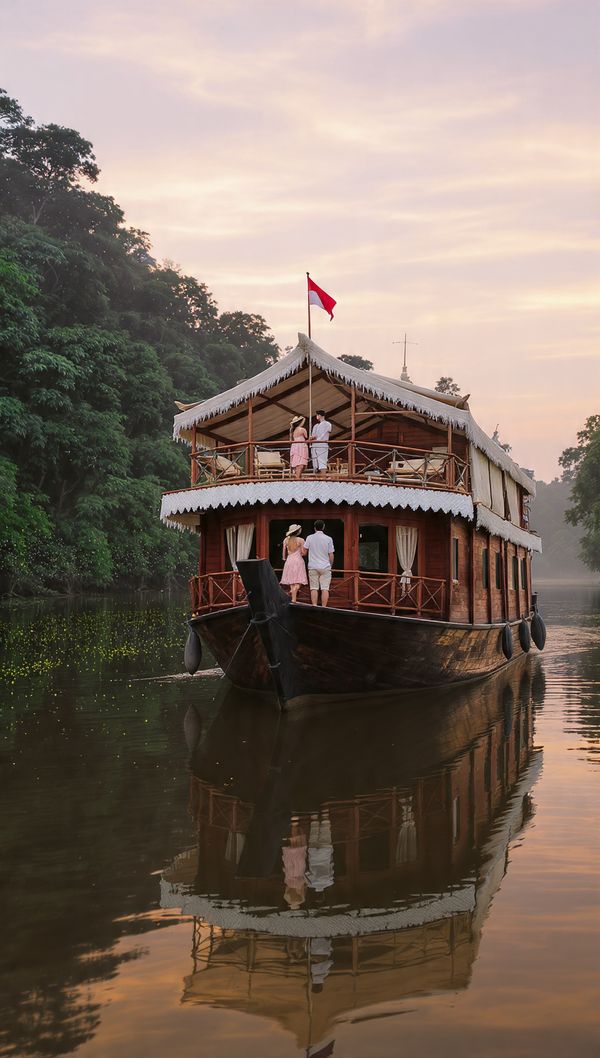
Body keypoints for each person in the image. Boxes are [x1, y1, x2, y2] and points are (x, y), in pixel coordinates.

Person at [303, 520, 334, 606]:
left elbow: (304, 550)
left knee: (314, 588)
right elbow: (331, 554)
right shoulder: (328, 539)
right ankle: (324, 607)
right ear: (323, 527)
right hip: (325, 566)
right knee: (325, 588)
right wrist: (330, 566)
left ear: (314, 528)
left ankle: (314, 606)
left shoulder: (309, 537)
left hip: (313, 566)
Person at [280, 524, 308, 603]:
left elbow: (283, 554)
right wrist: (302, 553)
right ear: (297, 531)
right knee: (299, 580)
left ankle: (293, 600)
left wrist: (284, 559)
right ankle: (294, 594)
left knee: (292, 581)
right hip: (298, 560)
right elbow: (303, 553)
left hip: (289, 561)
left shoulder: (285, 540)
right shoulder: (301, 540)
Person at [309, 410, 332, 475]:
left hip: (322, 444)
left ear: (320, 415)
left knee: (322, 461)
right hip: (315, 445)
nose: (317, 416)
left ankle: (323, 477)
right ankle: (317, 475)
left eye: (317, 415)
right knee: (315, 462)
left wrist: (315, 437)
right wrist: (312, 438)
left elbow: (327, 432)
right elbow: (313, 436)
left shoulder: (327, 424)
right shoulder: (316, 426)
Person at [289, 415, 308, 479]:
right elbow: (306, 436)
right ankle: (297, 478)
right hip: (301, 446)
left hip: (294, 446)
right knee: (300, 463)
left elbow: (291, 440)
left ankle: (297, 476)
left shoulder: (292, 431)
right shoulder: (302, 430)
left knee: (297, 462)